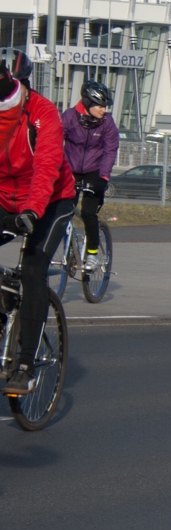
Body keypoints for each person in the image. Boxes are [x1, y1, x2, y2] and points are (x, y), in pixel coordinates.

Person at [0, 50, 76, 397]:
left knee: (33, 269)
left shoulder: (43, 113)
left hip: (51, 200)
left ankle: (25, 365)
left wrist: (32, 211)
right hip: (7, 199)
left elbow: (47, 166)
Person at [61, 80, 119, 268]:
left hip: (95, 171)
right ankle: (65, 246)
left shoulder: (107, 122)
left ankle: (92, 253)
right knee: (62, 211)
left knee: (88, 212)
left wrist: (103, 177)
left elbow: (110, 150)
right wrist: (57, 169)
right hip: (70, 169)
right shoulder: (69, 117)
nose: (104, 110)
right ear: (87, 103)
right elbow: (55, 140)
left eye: (105, 106)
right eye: (100, 106)